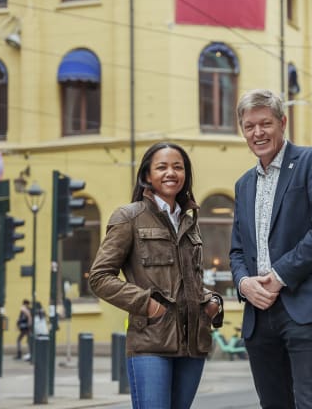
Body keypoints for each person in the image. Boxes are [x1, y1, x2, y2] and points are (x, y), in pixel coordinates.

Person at [229, 89, 312, 409]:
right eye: (249, 126)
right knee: (273, 404)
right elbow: (237, 251)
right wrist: (245, 284)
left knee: (311, 402)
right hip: (258, 314)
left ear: (282, 123)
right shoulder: (243, 184)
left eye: (265, 123)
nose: (257, 133)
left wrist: (279, 275)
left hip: (304, 306)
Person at [90, 142, 224, 409]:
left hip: (193, 344)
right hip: (150, 343)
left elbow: (189, 281)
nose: (171, 173)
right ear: (147, 176)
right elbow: (99, 277)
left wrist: (211, 303)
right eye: (161, 167)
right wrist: (149, 306)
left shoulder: (189, 222)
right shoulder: (129, 217)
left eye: (178, 167)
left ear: (185, 174)